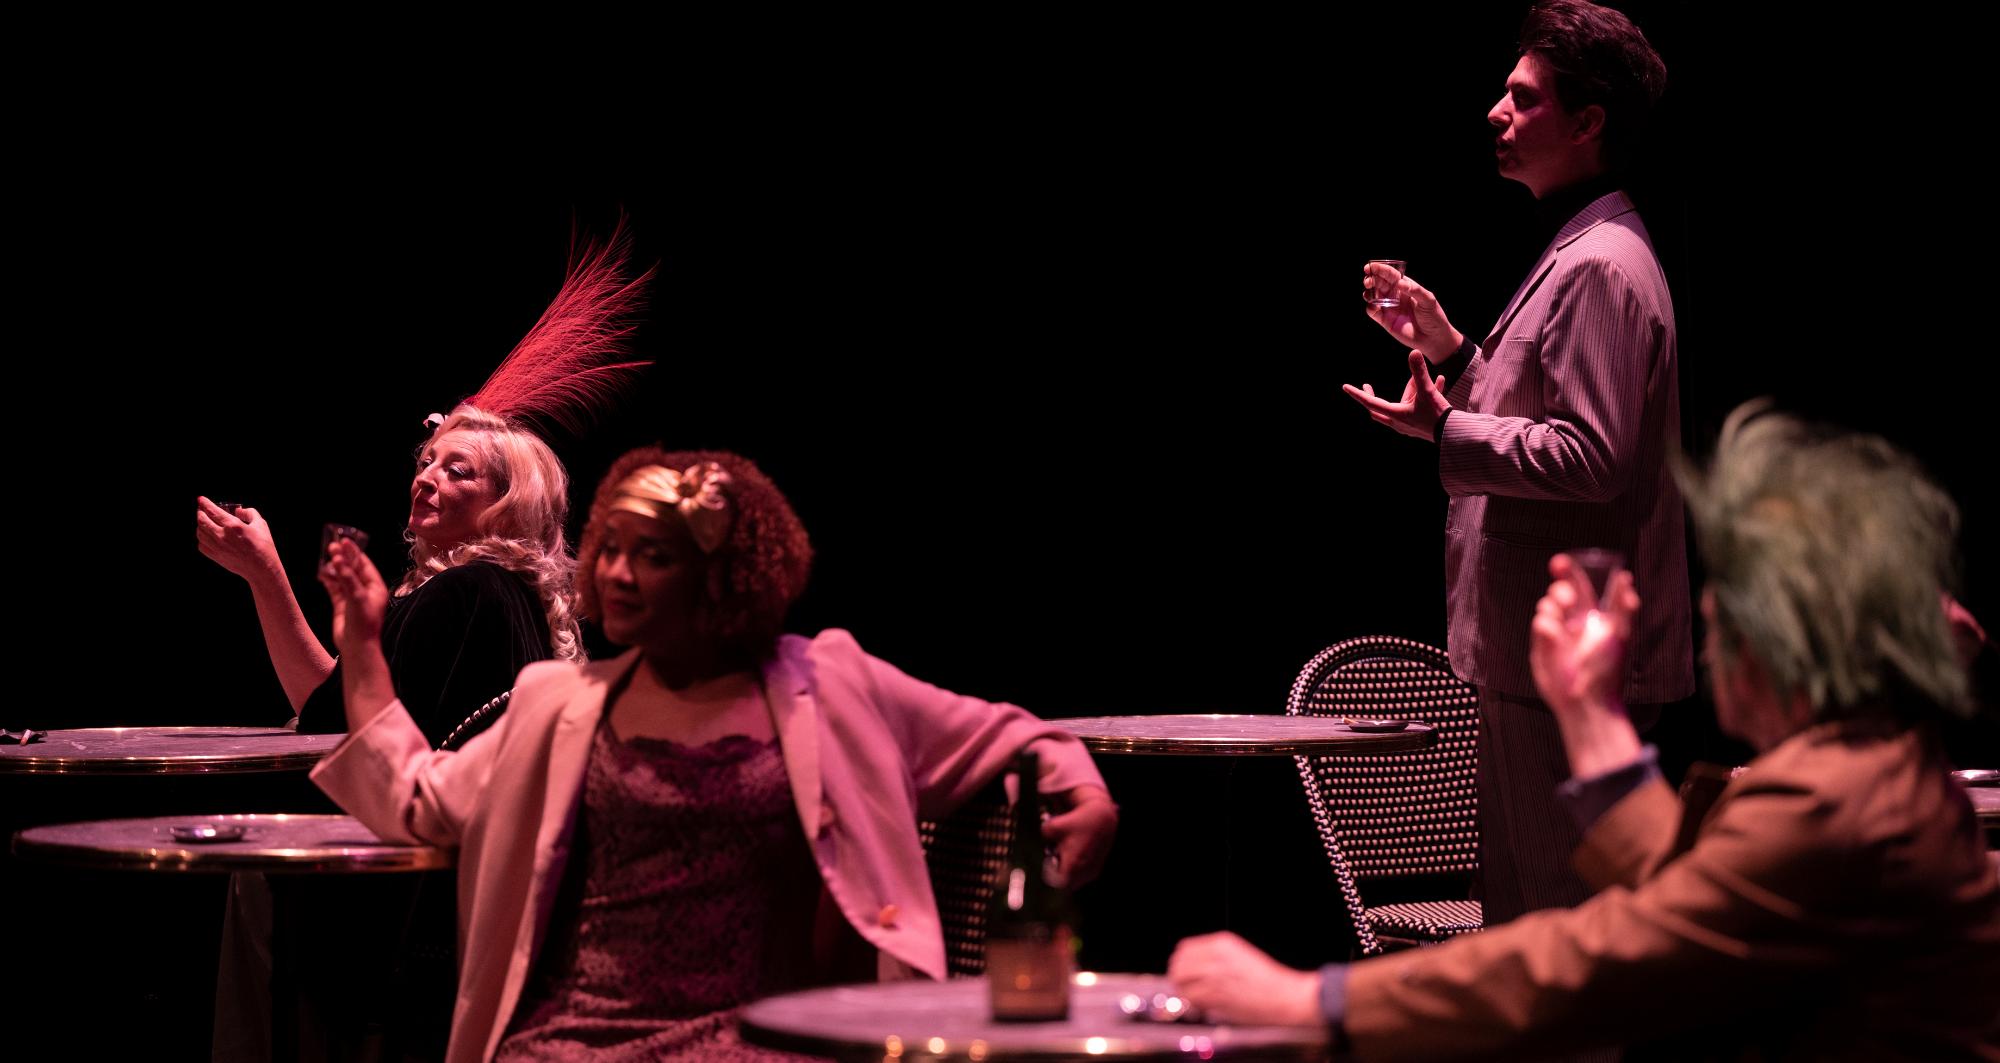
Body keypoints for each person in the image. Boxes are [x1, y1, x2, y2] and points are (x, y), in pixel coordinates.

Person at [1170, 402, 2000, 1060]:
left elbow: (1595, 961)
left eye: (1718, 622)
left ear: (1773, 644)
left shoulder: (1832, 801)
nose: (1708, 647)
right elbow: (1694, 892)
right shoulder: (1879, 766)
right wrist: (1588, 709)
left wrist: (1316, 999)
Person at [314, 448, 1120, 1062]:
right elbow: (415, 796)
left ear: (723, 575)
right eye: (610, 548)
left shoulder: (828, 683)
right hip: (573, 1039)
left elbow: (1014, 736)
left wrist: (1085, 794)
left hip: (769, 1038)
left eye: (654, 554)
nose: (617, 573)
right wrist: (363, 644)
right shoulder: (559, 703)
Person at [1343, 0, 1692, 922]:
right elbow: (1549, 413)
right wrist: (1452, 352)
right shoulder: (1583, 248)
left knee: (1560, 934)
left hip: (1567, 668)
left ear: (1587, 124)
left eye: (1525, 98)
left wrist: (1445, 432)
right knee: (1526, 921)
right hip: (1538, 662)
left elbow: (1591, 456)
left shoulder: (1600, 264)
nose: (1496, 112)